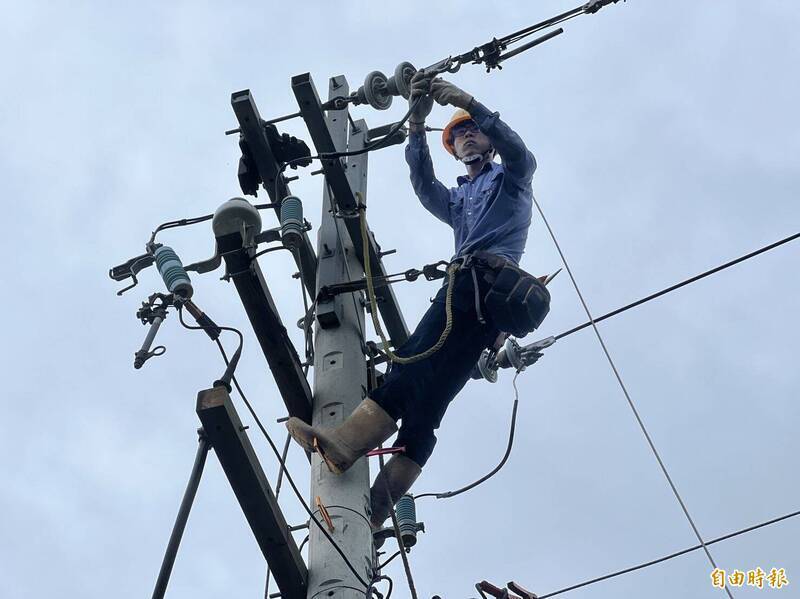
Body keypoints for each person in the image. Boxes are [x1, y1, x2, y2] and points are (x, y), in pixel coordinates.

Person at [286, 69, 544, 535]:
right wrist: (417, 125)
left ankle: (344, 445)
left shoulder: (512, 180)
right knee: (429, 402)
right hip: (480, 302)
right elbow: (425, 185)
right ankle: (378, 505)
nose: (466, 137)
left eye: (473, 131)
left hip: (478, 284)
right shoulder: (460, 200)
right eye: (458, 135)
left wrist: (469, 101)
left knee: (410, 363)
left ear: (489, 142)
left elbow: (521, 155)